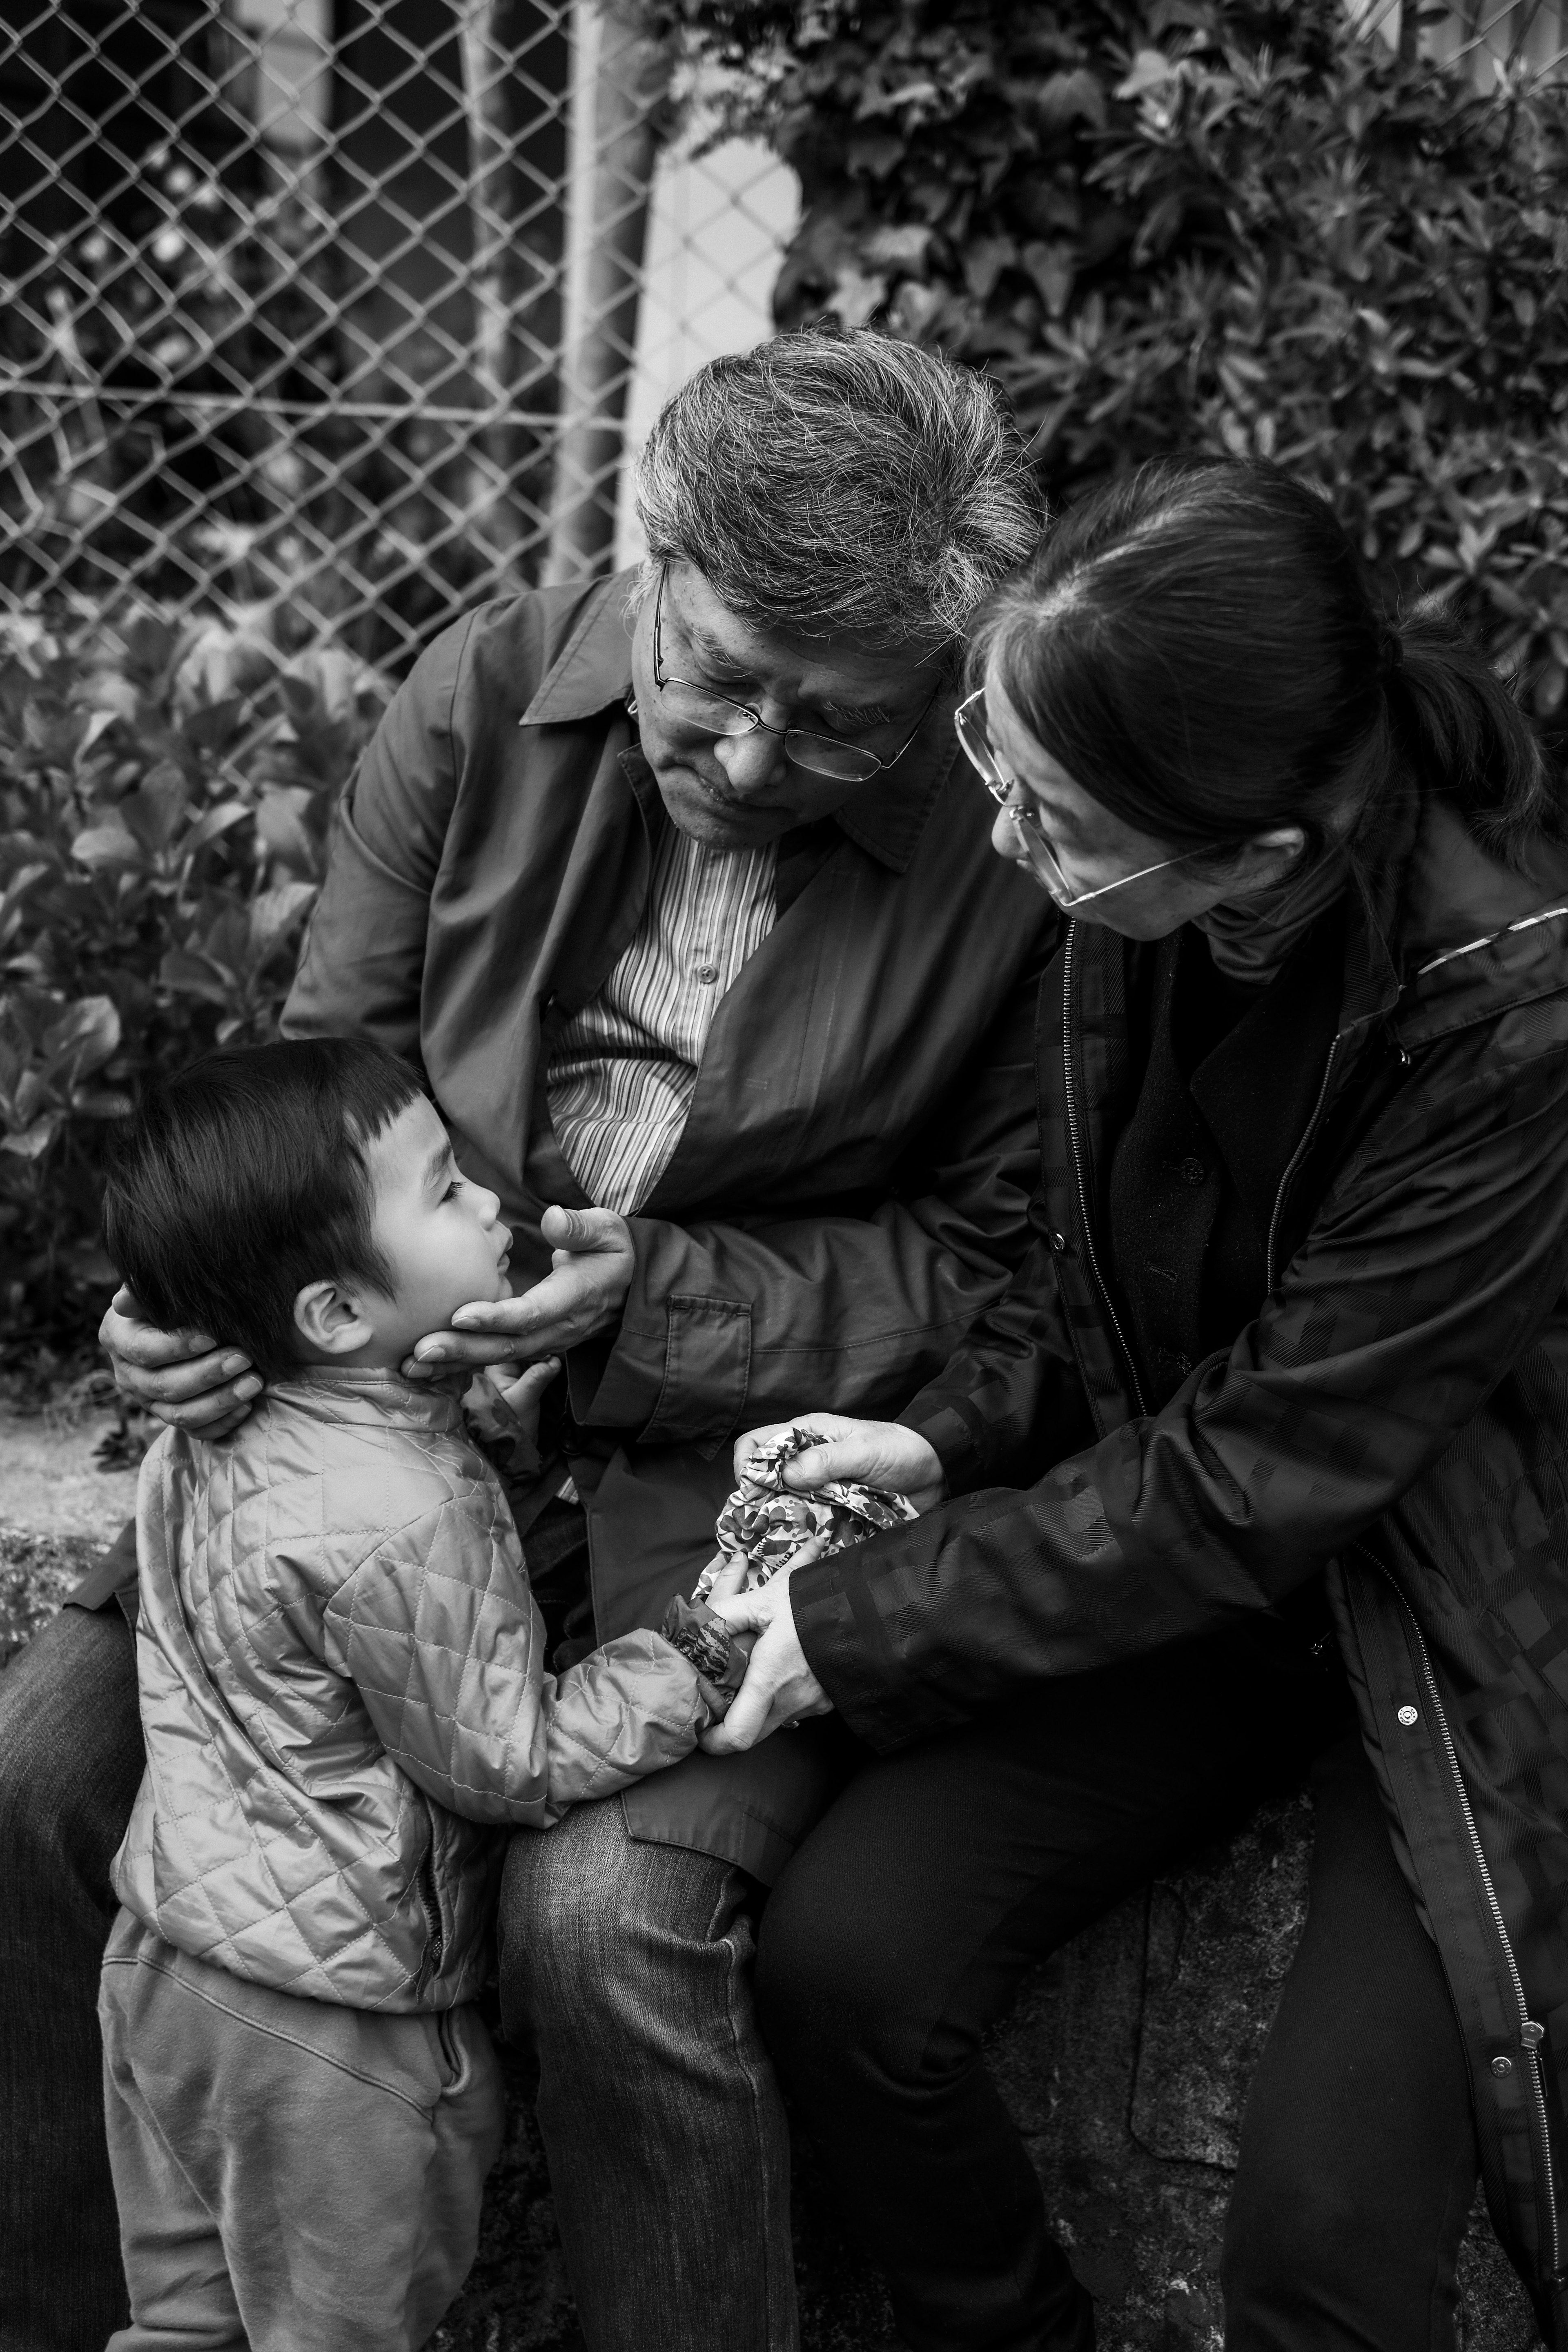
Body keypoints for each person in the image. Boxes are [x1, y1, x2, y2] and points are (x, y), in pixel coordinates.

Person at [0, 327, 1054, 2352]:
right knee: (40, 1774)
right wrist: (201, 1322)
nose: (748, 761)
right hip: (375, 1451)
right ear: (649, 559)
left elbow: (1006, 1279)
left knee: (607, 1923)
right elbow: (324, 1100)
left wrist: (657, 1306)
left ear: (933, 694)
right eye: (719, 680)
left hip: (729, 1487)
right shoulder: (484, 693)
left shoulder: (1010, 842)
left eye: (831, 729)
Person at [704, 458, 1568, 2352]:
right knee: (847, 1972)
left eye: (1058, 814)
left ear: (1257, 855)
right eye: (993, 762)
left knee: (1326, 2249)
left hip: (1452, 1605)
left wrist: (866, 1618)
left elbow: (1275, 1457)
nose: (1007, 834)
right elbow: (1104, 1269)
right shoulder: (1132, 875)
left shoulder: (1511, 1017)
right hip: (1203, 1567)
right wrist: (952, 1432)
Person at [97, 1038, 721, 2351]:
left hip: (168, 1968)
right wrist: (698, 1658)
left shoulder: (212, 1426)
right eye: (443, 1191)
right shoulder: (408, 1508)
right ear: (332, 1315)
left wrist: (482, 1411)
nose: (491, 1201)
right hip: (331, 2030)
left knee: (184, 2326)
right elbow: (510, 1760)